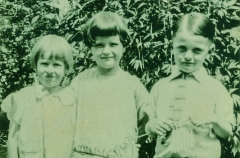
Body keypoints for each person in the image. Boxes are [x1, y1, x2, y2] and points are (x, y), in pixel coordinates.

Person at [145, 12, 234, 158]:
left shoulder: (216, 89)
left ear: (209, 50)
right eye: (181, 48)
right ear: (172, 45)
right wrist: (152, 125)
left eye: (197, 50)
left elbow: (227, 133)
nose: (188, 56)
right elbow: (149, 127)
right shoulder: (161, 87)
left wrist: (213, 119)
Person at [70, 11, 150, 158]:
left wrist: (132, 143)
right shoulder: (81, 81)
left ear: (123, 47)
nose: (106, 51)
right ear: (90, 48)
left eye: (113, 44)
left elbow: (149, 117)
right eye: (99, 45)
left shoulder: (131, 84)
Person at [1, 35, 76, 158]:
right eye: (44, 64)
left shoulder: (71, 99)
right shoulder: (23, 98)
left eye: (56, 65)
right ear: (35, 65)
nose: (50, 70)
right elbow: (13, 138)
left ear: (66, 68)